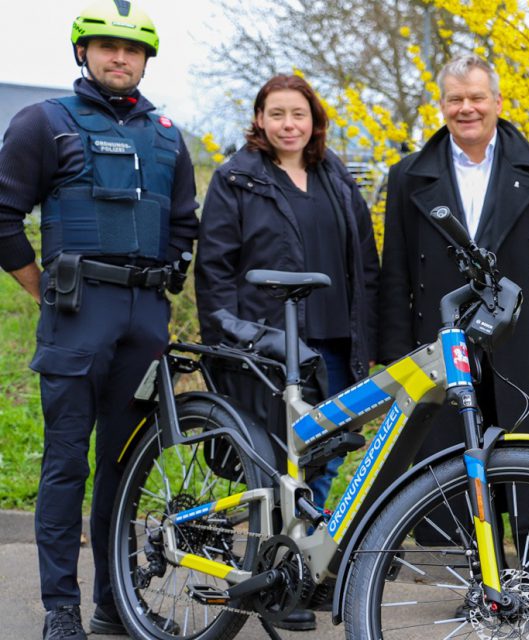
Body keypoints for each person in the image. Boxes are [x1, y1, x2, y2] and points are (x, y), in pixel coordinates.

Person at [0, 2, 199, 638]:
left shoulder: (168, 135)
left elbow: (185, 226)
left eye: (133, 50)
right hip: (77, 313)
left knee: (123, 465)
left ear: (146, 59)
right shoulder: (44, 123)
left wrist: (164, 290)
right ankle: (61, 609)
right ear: (83, 52)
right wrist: (42, 289)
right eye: (108, 46)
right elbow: (2, 215)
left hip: (145, 321)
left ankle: (116, 604)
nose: (121, 57)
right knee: (66, 465)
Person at [377, 54, 529, 631]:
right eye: (454, 99)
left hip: (527, 336)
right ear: (441, 105)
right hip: (442, 339)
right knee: (455, 458)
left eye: (476, 98)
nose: (465, 109)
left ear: (497, 101)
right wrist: (397, 350)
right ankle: (482, 584)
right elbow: (394, 267)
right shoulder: (408, 175)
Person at [194, 73, 380, 630]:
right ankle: (281, 583)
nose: (288, 124)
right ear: (260, 120)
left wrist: (368, 333)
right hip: (270, 342)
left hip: (334, 340)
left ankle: (303, 572)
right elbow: (215, 268)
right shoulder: (236, 179)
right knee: (279, 465)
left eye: (297, 113)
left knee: (322, 461)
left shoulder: (335, 175)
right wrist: (227, 339)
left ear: (314, 119)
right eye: (276, 114)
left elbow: (364, 261)